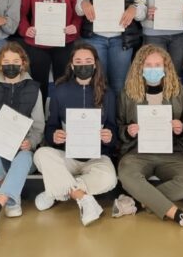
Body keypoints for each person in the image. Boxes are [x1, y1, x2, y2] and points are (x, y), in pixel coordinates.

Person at [112, 45, 183, 231]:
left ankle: (136, 202)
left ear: (166, 67)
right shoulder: (127, 93)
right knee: (126, 174)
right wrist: (128, 131)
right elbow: (118, 126)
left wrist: (181, 127)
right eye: (148, 65)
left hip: (172, 152)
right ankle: (179, 215)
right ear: (140, 67)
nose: (153, 69)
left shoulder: (180, 92)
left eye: (158, 64)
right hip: (137, 151)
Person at [32, 43, 118, 226]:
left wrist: (109, 136)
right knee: (41, 155)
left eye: (88, 61)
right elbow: (51, 126)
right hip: (68, 156)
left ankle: (54, 191)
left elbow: (113, 128)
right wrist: (54, 135)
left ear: (95, 65)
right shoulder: (60, 90)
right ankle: (83, 198)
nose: (83, 65)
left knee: (110, 179)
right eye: (78, 61)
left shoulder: (107, 93)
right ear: (71, 65)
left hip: (97, 158)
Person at [0, 42, 45, 241]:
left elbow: (39, 126)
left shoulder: (34, 89)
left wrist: (30, 142)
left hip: (22, 155)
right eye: (6, 61)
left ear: (23, 64)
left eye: (15, 61)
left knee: (24, 157)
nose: (10, 65)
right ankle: (11, 196)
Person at [18, 0, 81, 100]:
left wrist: (75, 26)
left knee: (63, 83)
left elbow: (77, 13)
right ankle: (41, 121)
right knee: (39, 86)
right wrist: (26, 29)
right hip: (37, 42)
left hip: (64, 41)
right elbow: (22, 12)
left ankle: (60, 122)